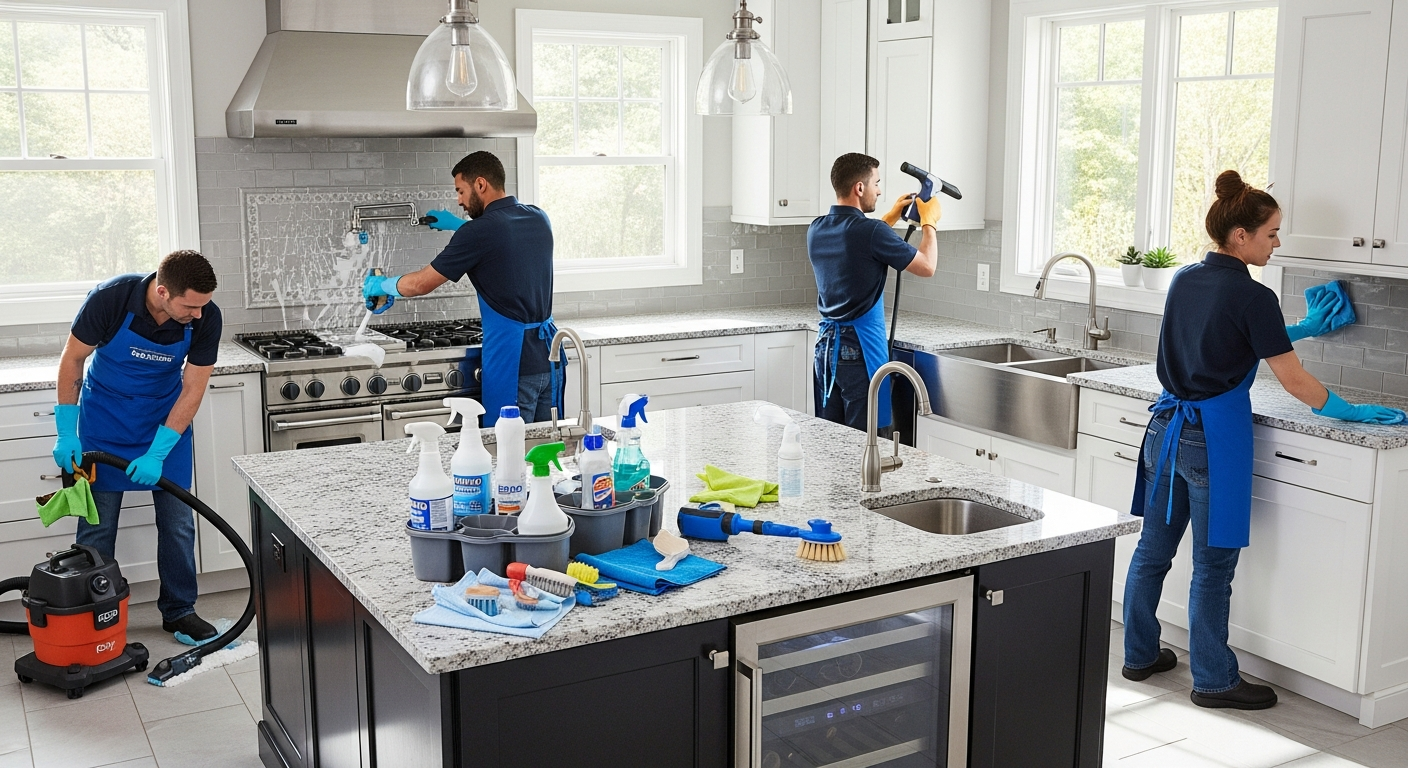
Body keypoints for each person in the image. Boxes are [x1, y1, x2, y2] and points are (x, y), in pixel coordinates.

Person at [1121, 170, 1406, 710]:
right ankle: (1213, 680)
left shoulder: (1185, 279)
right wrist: (1352, 411)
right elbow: (1295, 381)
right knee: (1212, 565)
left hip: (1165, 429)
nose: (1278, 243)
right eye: (1272, 233)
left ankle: (1139, 655)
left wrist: (1300, 327)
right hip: (1211, 441)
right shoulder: (1254, 296)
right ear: (1241, 236)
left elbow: (1224, 337)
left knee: (1153, 551)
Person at [53, 250, 224, 642]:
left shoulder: (205, 317)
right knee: (97, 526)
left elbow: (194, 388)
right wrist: (67, 431)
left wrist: (159, 451)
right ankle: (94, 615)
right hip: (105, 423)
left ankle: (180, 610)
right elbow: (73, 359)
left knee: (178, 524)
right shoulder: (111, 299)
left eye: (203, 306)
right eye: (190, 306)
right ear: (163, 292)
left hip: (165, 425)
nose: (198, 314)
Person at [362, 151, 559, 426]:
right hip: (549, 359)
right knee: (545, 452)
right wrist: (458, 226)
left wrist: (380, 284)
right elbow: (501, 236)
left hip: (512, 362)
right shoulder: (539, 217)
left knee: (506, 453)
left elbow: (420, 284)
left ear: (480, 184)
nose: (459, 201)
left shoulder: (477, 233)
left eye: (460, 191)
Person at [808, 153, 940, 431]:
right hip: (859, 354)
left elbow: (858, 245)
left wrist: (889, 218)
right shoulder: (871, 232)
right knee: (867, 441)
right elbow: (927, 266)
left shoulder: (817, 228)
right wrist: (930, 224)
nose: (879, 190)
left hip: (825, 350)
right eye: (876, 183)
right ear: (859, 188)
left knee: (831, 440)